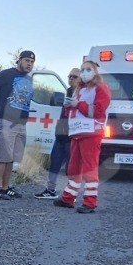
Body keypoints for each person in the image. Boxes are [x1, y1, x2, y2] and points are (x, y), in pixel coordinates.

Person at [56, 59, 111, 213]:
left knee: (90, 169)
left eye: (88, 69)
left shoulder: (101, 88)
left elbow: (98, 111)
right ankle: (68, 198)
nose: (84, 72)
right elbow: (73, 112)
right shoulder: (79, 89)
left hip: (92, 133)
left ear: (95, 72)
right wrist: (68, 107)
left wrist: (77, 104)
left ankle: (90, 203)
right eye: (82, 69)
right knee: (74, 168)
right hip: (77, 133)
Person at [0, 50, 35, 199]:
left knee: (12, 157)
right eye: (26, 60)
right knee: (3, 156)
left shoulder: (29, 79)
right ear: (19, 61)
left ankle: (6, 187)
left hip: (20, 123)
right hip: (5, 120)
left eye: (31, 62)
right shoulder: (6, 74)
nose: (29, 64)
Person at [35, 67, 79, 198]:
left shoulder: (83, 94)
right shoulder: (69, 91)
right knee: (54, 161)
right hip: (61, 133)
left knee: (72, 166)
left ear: (81, 79)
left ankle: (71, 194)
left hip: (73, 134)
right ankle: (50, 190)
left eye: (74, 77)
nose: (71, 79)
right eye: (69, 76)